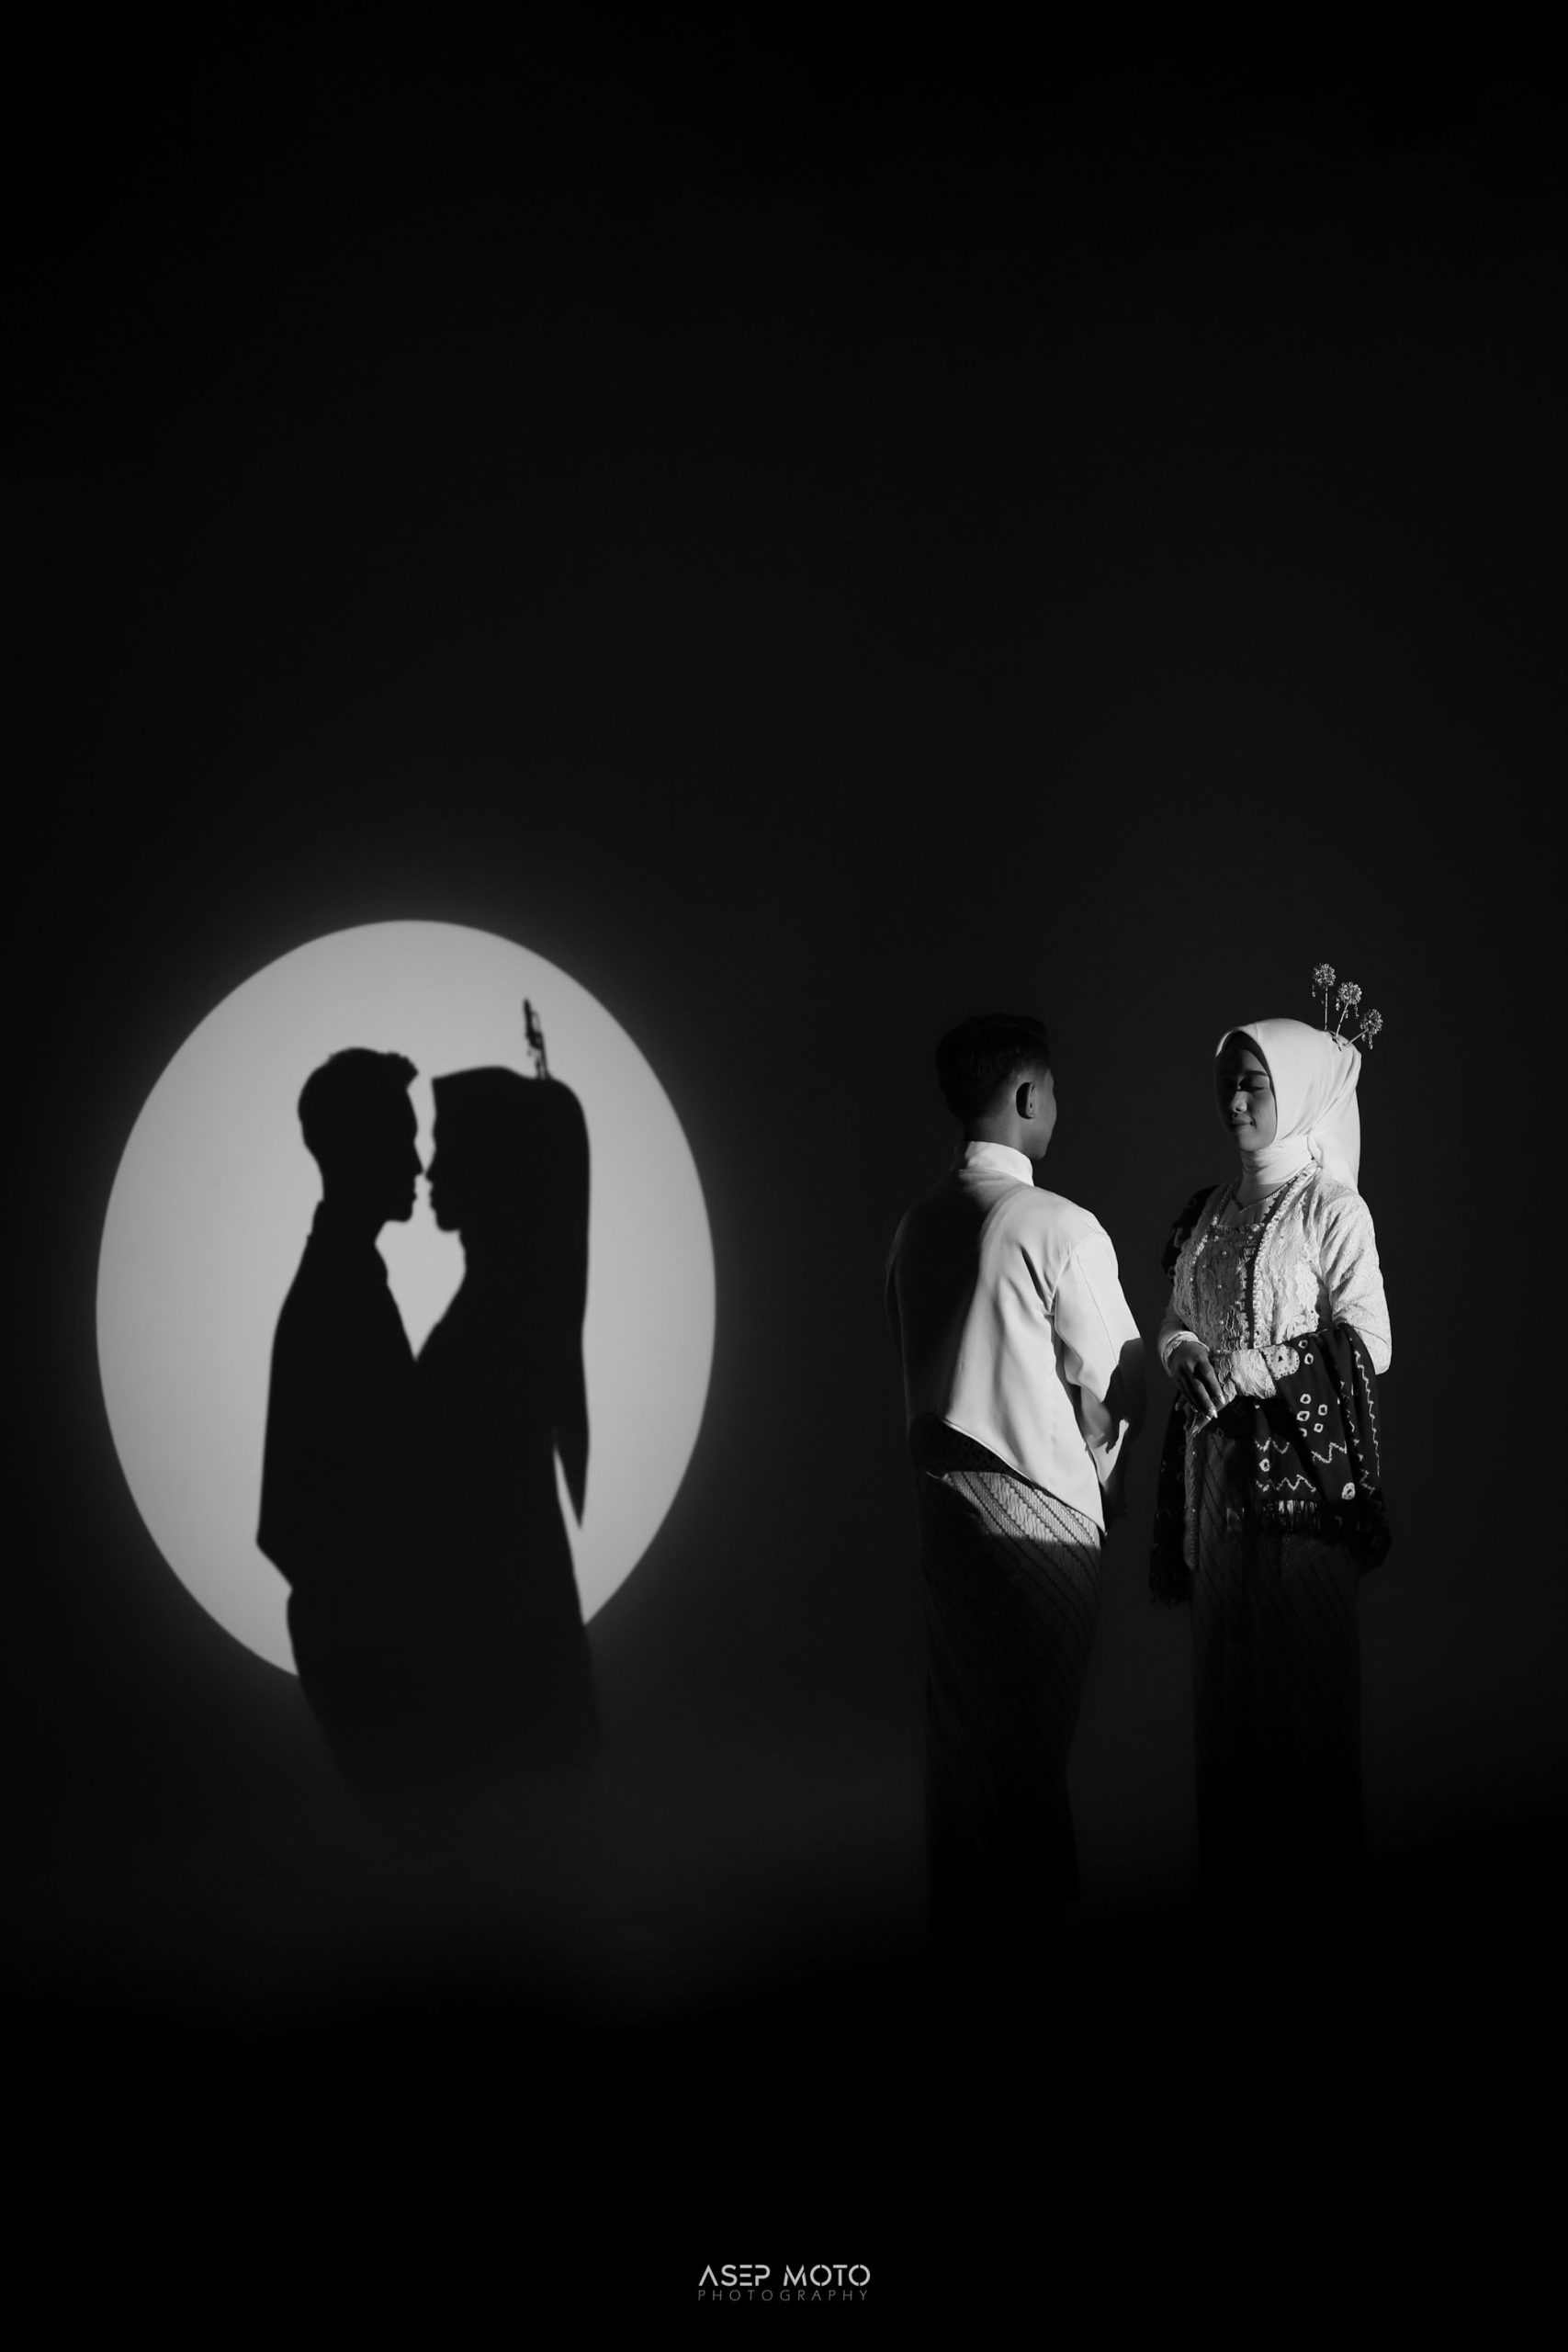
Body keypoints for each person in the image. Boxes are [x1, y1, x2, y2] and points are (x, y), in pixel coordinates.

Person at [886, 1013, 1145, 1951]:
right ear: (1029, 1096)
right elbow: (1118, 1385)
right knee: (1030, 1744)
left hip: (945, 1510)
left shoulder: (916, 1225)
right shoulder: (1056, 1225)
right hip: (1039, 1517)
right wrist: (1101, 1481)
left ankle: (964, 1935)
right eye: (1054, 1093)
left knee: (966, 1739)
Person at [1152, 1017, 1392, 1909]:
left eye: (1253, 1083)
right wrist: (1184, 1353)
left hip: (1300, 1489)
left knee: (1302, 1697)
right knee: (1229, 1697)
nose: (1235, 1100)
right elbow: (1176, 1315)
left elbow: (1371, 1340)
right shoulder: (1209, 1212)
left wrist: (1256, 1367)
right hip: (1219, 1486)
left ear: (1291, 1091)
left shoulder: (1330, 1208)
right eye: (1227, 1083)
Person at [413, 1065, 598, 1786]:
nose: (430, 1170)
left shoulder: (489, 1329)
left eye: (446, 1146)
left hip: (498, 1657)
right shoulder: (511, 1314)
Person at [257, 1047, 429, 1811]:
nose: (417, 1163)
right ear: (360, 1149)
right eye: (402, 1139)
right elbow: (297, 1520)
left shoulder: (343, 1281)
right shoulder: (337, 1296)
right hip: (371, 1661)